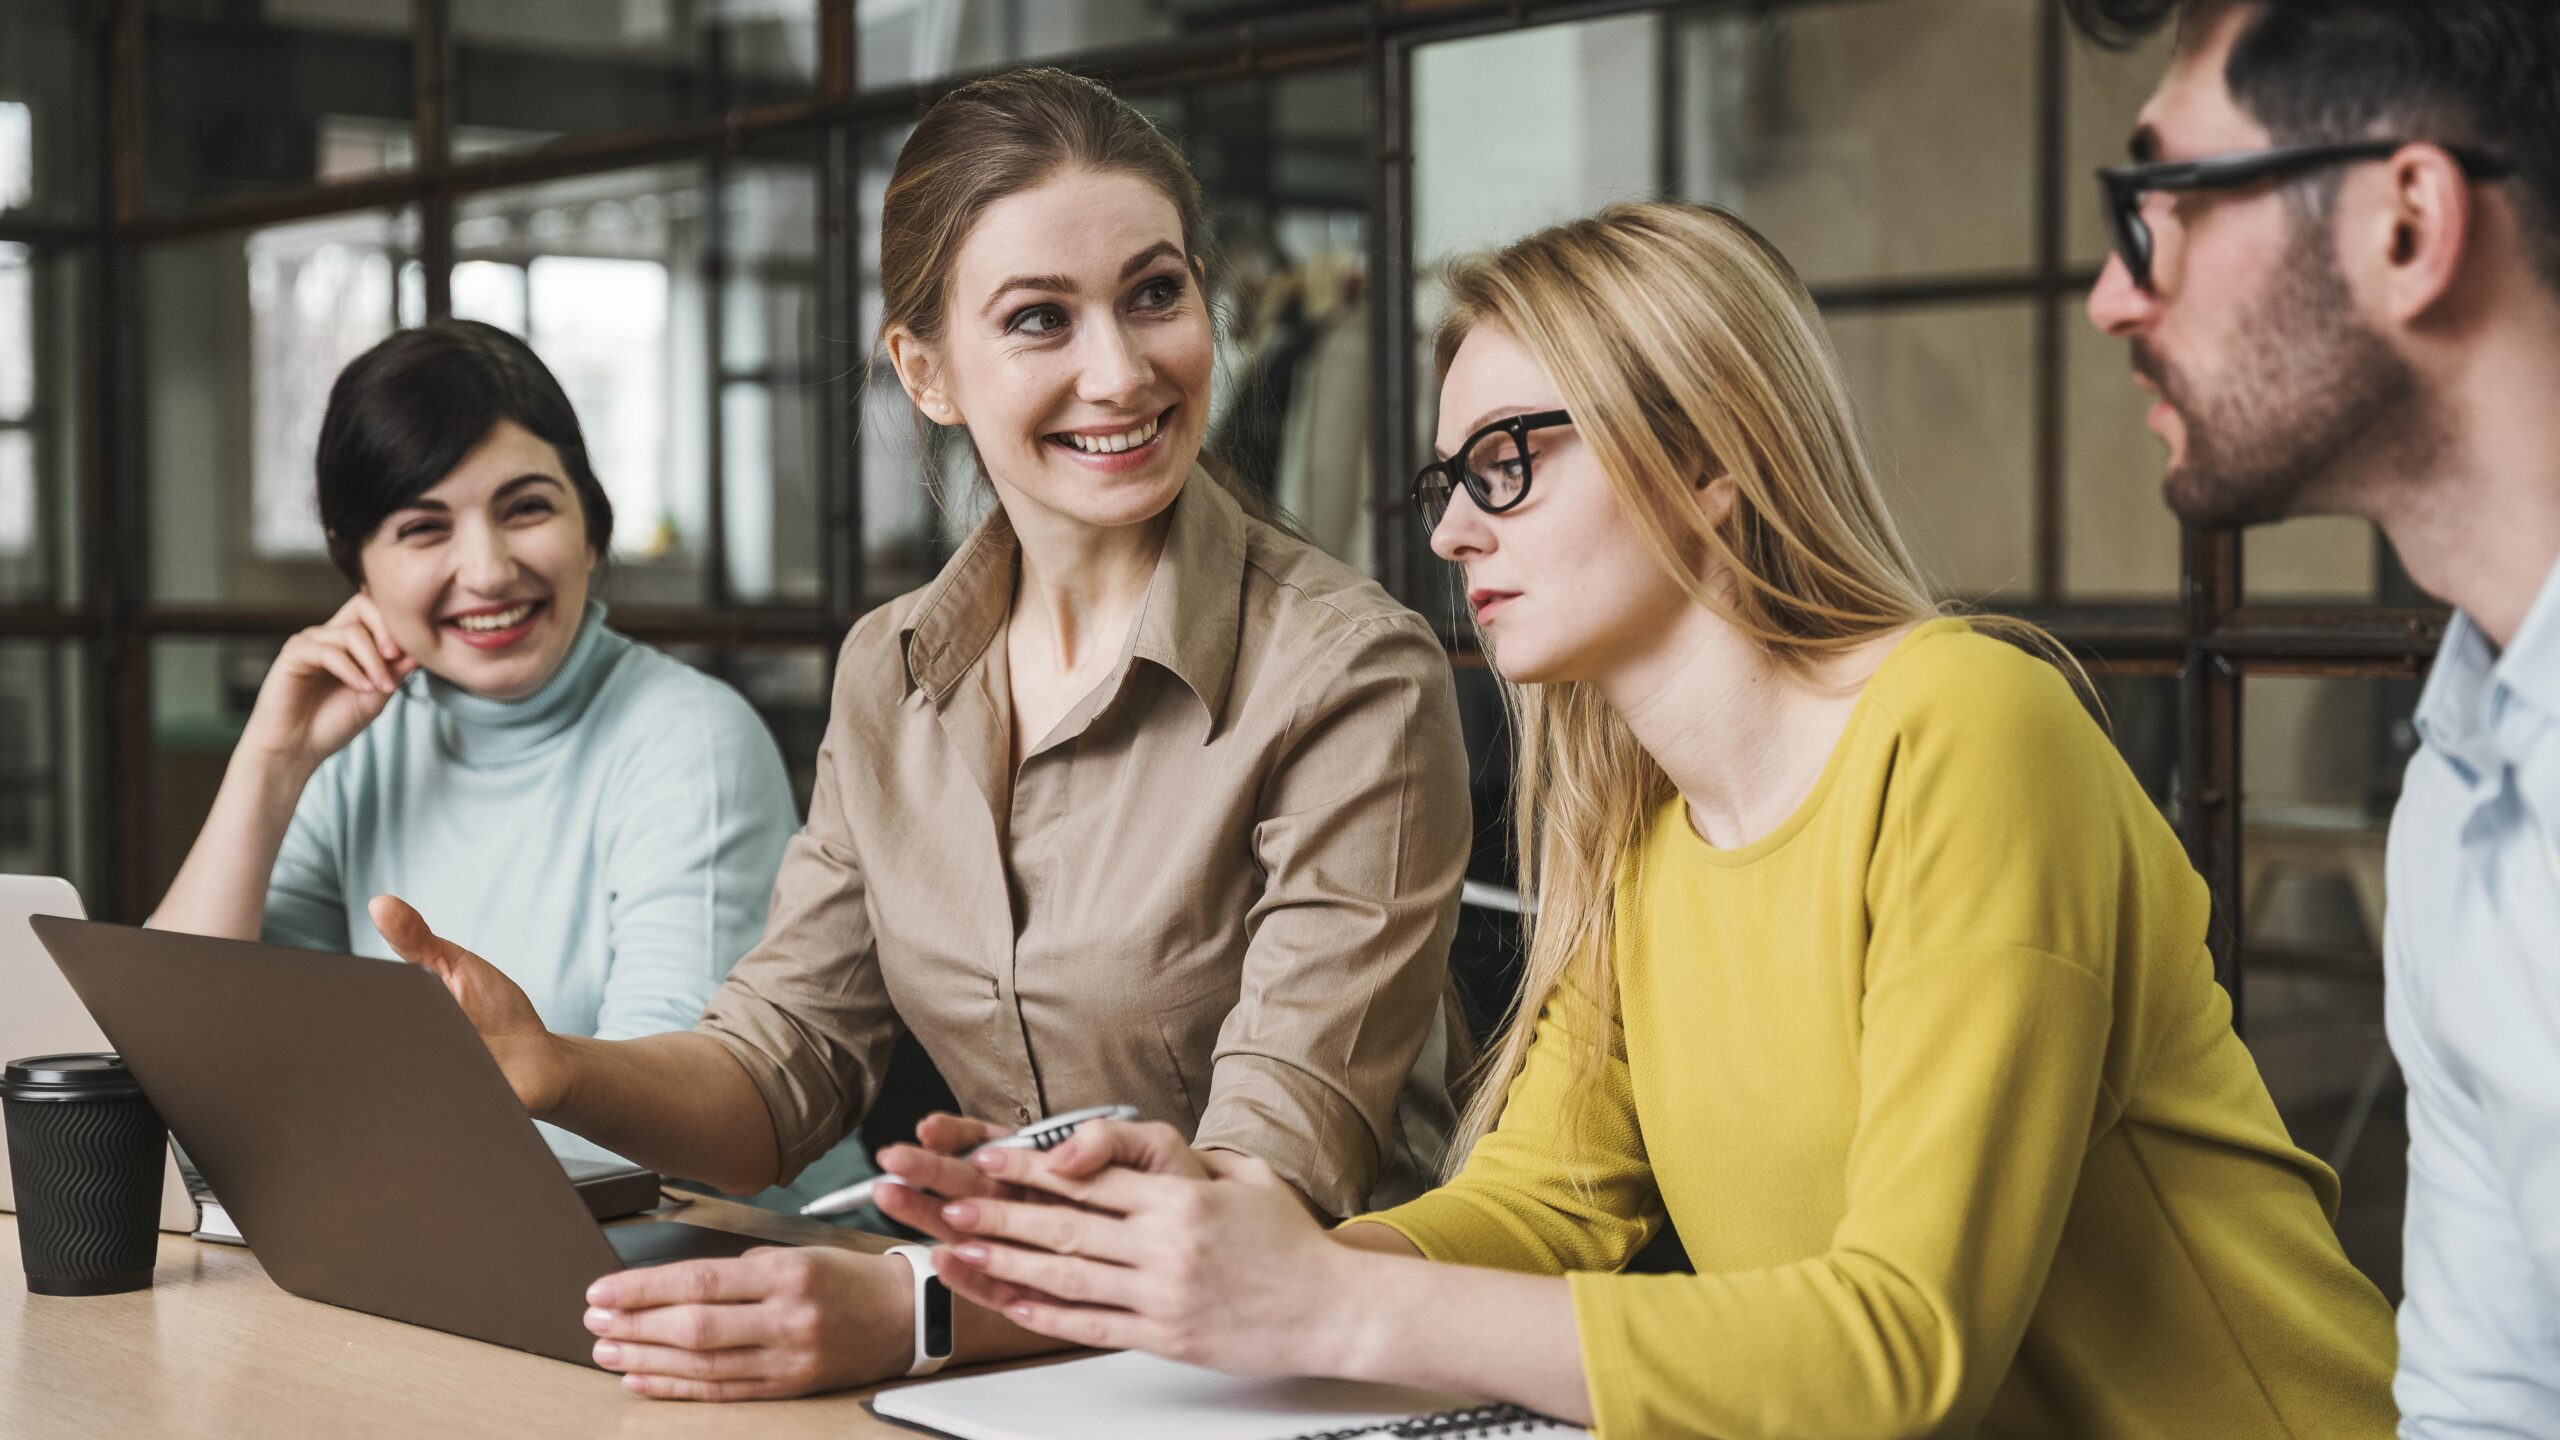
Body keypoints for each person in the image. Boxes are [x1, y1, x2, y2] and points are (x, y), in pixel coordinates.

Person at [918, 200, 2400, 1438]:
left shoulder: (1968, 731)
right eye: (1451, 478)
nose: (1448, 530)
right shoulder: (1644, 837)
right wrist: (1228, 1255)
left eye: (1508, 461)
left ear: (1706, 461)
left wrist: (1325, 1298)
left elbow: (1903, 1350)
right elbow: (1541, 1212)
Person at [378, 66, 1471, 1399]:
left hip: (1332, 1385)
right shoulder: (890, 674)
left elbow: (1262, 1192)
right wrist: (545, 1065)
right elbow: (777, 1078)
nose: (1120, 370)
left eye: (1155, 294)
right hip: (1042, 1374)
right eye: (1038, 320)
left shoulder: (1350, 671)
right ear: (928, 371)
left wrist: (918, 1308)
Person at [2069, 1, 2560, 1430]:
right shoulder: (2466, 796)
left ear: (2407, 223)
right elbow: (2490, 1402)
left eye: (2162, 201)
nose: (2112, 293)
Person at [148, 320, 805, 1177]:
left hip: (710, 1257)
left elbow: (660, 1147)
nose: (489, 571)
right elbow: (169, 1064)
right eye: (424, 529)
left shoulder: (690, 741)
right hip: (438, 1233)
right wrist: (271, 764)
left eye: (526, 508)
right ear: (359, 569)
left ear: (591, 528)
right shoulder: (355, 742)